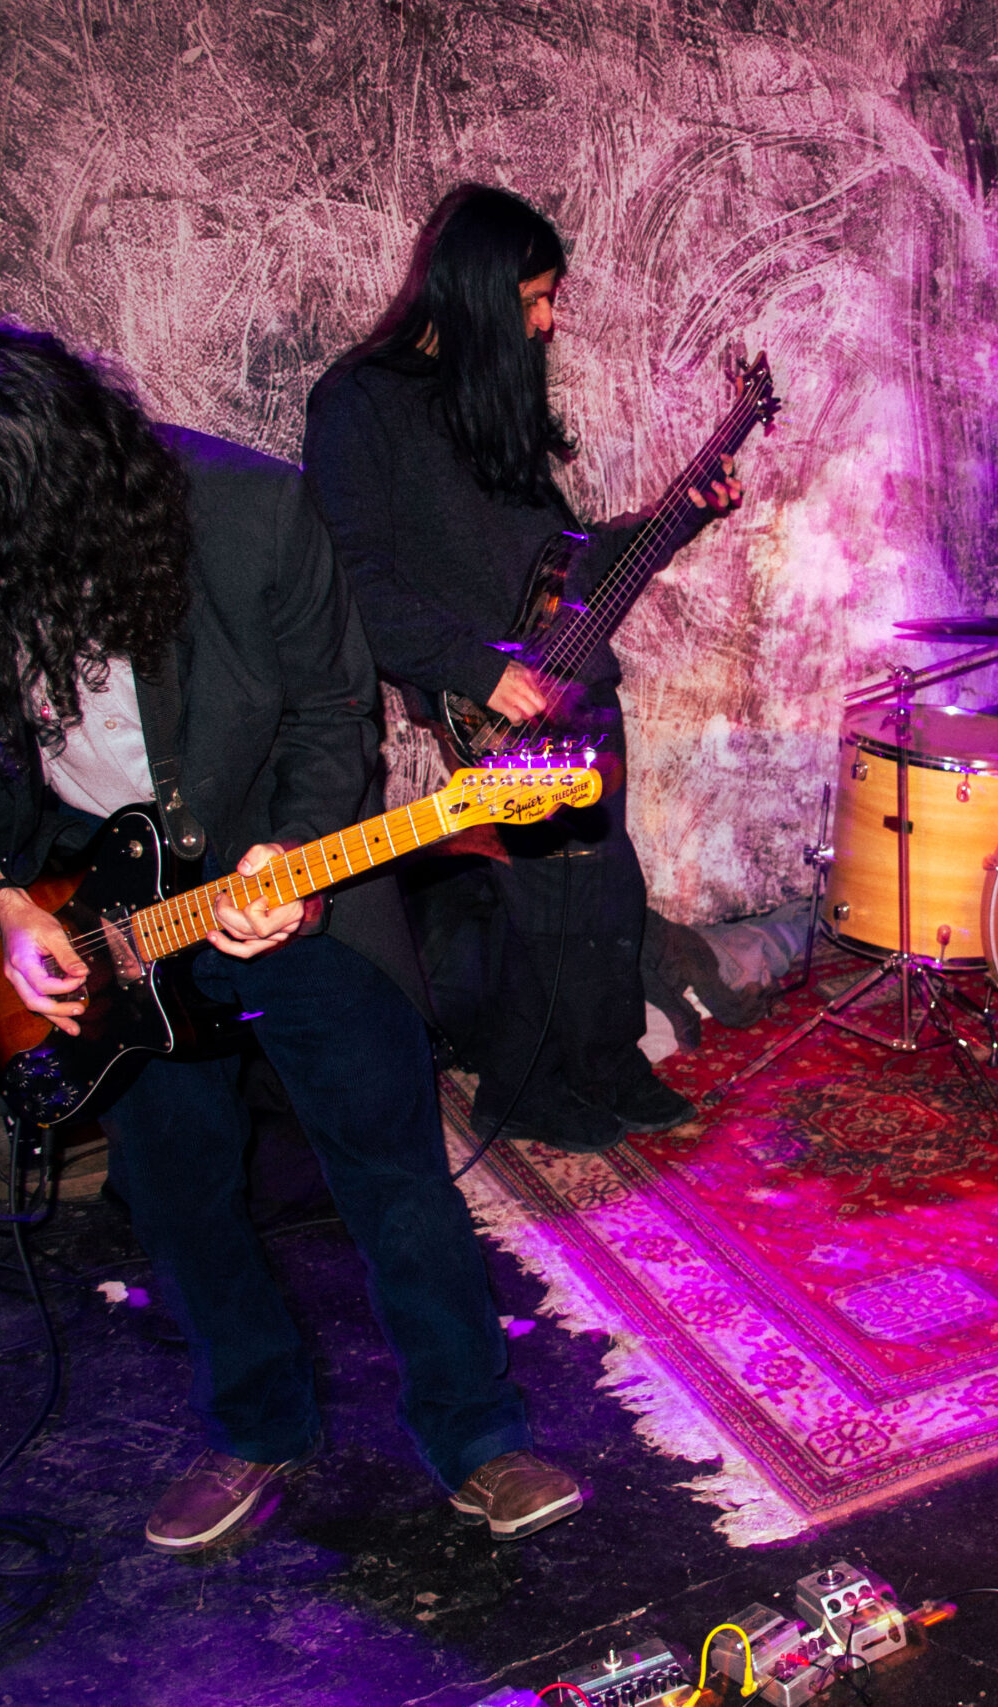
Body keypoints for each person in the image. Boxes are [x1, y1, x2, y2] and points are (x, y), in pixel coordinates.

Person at [0, 320, 581, 1552]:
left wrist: (292, 849)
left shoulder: (247, 512)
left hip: (275, 866)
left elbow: (332, 709)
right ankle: (255, 1426)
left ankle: (478, 1436)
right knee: (177, 1197)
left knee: (391, 1173)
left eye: (13, 548)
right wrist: (4, 899)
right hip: (91, 903)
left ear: (73, 481)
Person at [306, 184, 736, 1154]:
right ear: (477, 290)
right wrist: (470, 667)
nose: (549, 321)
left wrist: (683, 516)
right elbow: (351, 575)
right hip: (490, 708)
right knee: (541, 898)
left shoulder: (489, 403)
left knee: (608, 885)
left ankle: (607, 1062)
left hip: (578, 688)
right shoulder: (359, 403)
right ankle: (525, 1090)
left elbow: (570, 563)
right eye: (536, 298)